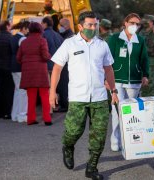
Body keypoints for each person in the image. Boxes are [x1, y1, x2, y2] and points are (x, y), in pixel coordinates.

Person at [49, 11, 118, 179]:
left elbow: (108, 68)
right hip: (78, 97)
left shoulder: (102, 44)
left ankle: (92, 168)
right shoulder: (69, 44)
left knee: (99, 135)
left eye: (95, 24)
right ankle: (68, 146)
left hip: (100, 97)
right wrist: (52, 92)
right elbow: (57, 68)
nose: (93, 28)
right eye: (89, 25)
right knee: (73, 131)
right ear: (80, 26)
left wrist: (114, 91)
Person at [107, 13, 149, 152]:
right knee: (116, 110)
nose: (134, 26)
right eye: (132, 22)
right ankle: (115, 140)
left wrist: (145, 74)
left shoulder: (140, 40)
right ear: (125, 23)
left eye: (137, 24)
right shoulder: (114, 38)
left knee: (131, 113)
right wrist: (106, 78)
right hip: (117, 78)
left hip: (135, 80)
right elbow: (107, 60)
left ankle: (129, 141)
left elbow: (144, 59)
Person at [17, 22, 52, 126]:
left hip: (28, 72)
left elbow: (18, 58)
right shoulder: (42, 40)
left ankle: (31, 119)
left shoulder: (24, 42)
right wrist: (49, 56)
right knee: (44, 96)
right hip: (40, 71)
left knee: (31, 97)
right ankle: (47, 119)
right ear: (40, 30)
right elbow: (45, 56)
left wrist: (26, 62)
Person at [42, 16, 66, 112]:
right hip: (59, 65)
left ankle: (50, 109)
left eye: (42, 24)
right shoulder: (58, 35)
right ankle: (55, 105)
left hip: (48, 65)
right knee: (56, 86)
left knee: (49, 87)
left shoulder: (43, 34)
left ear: (45, 24)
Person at [0, 20, 14, 120]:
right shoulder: (10, 38)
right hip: (9, 67)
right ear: (7, 27)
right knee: (8, 90)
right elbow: (13, 53)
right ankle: (7, 113)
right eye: (10, 26)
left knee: (0, 89)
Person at [10, 21, 30, 123]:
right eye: (28, 28)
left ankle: (15, 115)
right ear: (24, 28)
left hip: (13, 67)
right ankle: (22, 115)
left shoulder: (13, 38)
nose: (28, 30)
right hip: (20, 67)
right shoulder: (23, 39)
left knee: (18, 91)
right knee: (23, 92)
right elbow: (25, 53)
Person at [139, 14, 154, 97]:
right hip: (141, 60)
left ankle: (151, 99)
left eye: (148, 22)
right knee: (143, 82)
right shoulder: (141, 32)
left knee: (150, 82)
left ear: (152, 22)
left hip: (151, 61)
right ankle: (145, 98)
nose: (146, 23)